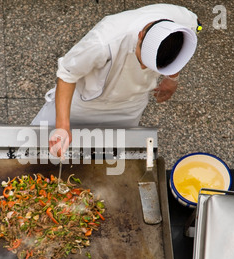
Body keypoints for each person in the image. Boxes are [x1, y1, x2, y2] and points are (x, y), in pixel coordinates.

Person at [31, 3, 201, 157]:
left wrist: (172, 78)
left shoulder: (186, 22)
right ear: (141, 35)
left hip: (130, 106)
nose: (143, 68)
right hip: (84, 103)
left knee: (110, 158)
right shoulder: (104, 39)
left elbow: (183, 48)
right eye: (142, 61)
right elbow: (67, 73)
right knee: (36, 148)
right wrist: (62, 127)